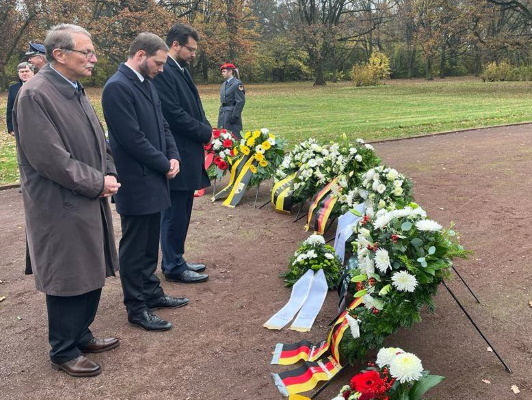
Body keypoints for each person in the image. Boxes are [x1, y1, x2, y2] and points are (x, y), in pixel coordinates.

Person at [13, 24, 121, 378]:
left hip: (87, 196)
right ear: (59, 55)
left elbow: (97, 137)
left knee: (89, 267)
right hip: (59, 204)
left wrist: (107, 173)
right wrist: (96, 182)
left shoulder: (74, 89)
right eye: (86, 52)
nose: (94, 58)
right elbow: (50, 160)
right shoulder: (35, 94)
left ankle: (81, 333)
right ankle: (63, 349)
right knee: (68, 274)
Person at [102, 32, 189, 331]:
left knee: (150, 244)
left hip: (155, 179)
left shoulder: (146, 83)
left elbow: (163, 125)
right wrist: (163, 163)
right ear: (140, 55)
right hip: (136, 182)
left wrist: (174, 155)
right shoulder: (116, 88)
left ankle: (151, 293)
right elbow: (131, 138)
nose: (161, 69)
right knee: (135, 246)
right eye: (158, 62)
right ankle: (136, 307)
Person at [152, 23, 211, 284]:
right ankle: (173, 265)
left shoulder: (181, 70)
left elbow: (194, 107)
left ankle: (178, 258)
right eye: (190, 48)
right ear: (175, 45)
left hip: (189, 150)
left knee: (183, 209)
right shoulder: (166, 72)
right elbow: (173, 114)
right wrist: (204, 132)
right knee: (175, 211)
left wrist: (207, 126)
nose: (193, 53)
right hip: (178, 150)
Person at [217, 62, 245, 138]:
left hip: (232, 113)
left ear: (230, 71)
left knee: (234, 136)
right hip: (223, 113)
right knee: (223, 136)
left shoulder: (237, 84)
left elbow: (240, 101)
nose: (222, 73)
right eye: (222, 72)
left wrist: (235, 115)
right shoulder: (224, 84)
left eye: (224, 71)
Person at [6, 62, 34, 136]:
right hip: (20, 127)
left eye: (26, 71)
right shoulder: (13, 88)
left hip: (40, 125)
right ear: (18, 73)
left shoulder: (41, 84)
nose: (24, 73)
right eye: (21, 72)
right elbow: (10, 109)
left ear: (32, 72)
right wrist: (11, 128)